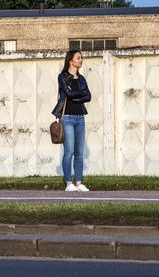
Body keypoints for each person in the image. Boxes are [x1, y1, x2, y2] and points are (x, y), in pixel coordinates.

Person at [52, 50, 92, 192]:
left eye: (81, 58)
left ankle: (79, 183)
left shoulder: (81, 79)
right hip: (67, 118)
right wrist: (79, 94)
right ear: (71, 60)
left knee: (79, 153)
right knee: (68, 152)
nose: (81, 60)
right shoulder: (62, 77)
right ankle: (69, 183)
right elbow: (68, 94)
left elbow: (88, 96)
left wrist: (77, 96)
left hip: (80, 117)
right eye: (78, 58)